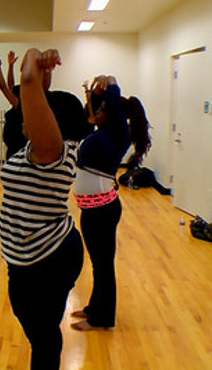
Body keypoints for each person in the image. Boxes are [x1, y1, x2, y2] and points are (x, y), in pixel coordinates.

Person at [0, 48, 91, 370]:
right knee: (41, 333)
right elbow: (32, 88)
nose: (29, 115)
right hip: (27, 257)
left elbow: (26, 81)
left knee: (45, 339)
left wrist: (34, 56)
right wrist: (43, 74)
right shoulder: (35, 151)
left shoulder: (52, 152)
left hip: (48, 258)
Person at [70, 76, 151, 332]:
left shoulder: (119, 133)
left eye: (104, 108)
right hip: (93, 209)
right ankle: (95, 308)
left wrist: (114, 84)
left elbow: (113, 109)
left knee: (103, 265)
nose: (99, 112)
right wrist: (95, 93)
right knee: (98, 263)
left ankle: (102, 320)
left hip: (102, 210)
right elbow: (97, 112)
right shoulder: (105, 133)